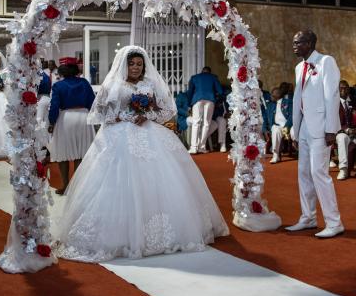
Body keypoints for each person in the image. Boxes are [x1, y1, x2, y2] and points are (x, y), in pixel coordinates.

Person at [54, 46, 229, 262]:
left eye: (139, 64)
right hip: (118, 135)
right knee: (116, 180)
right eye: (132, 64)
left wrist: (148, 115)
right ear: (123, 65)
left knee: (162, 178)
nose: (136, 68)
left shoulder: (150, 84)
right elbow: (97, 113)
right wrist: (118, 117)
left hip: (149, 132)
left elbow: (165, 111)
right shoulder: (112, 84)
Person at [286, 29, 344, 238]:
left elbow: (332, 96)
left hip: (321, 127)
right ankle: (308, 217)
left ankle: (334, 222)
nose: (294, 46)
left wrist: (331, 129)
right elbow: (297, 100)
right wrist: (295, 128)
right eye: (294, 42)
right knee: (303, 174)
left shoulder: (326, 62)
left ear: (309, 43)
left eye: (298, 42)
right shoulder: (299, 67)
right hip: (303, 127)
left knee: (320, 174)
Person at [47, 57, 95, 194]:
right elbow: (92, 102)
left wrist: (52, 122)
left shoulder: (58, 86)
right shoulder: (84, 82)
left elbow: (54, 106)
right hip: (83, 117)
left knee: (64, 154)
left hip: (66, 118)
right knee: (80, 153)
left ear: (61, 70)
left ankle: (65, 186)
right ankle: (77, 187)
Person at [187, 66, 223, 154]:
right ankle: (201, 147)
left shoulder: (194, 77)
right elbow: (221, 91)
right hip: (210, 100)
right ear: (209, 72)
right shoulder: (213, 77)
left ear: (202, 71)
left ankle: (193, 148)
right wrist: (217, 98)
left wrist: (189, 104)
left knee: (196, 122)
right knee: (206, 124)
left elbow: (190, 92)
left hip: (197, 99)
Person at [263, 87, 293, 164]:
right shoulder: (270, 105)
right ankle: (276, 155)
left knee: (294, 133)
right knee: (275, 130)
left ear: (277, 95)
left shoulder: (288, 102)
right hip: (277, 126)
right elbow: (265, 118)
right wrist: (265, 129)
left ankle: (298, 150)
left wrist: (287, 128)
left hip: (288, 126)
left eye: (272, 95)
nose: (270, 96)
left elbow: (292, 116)